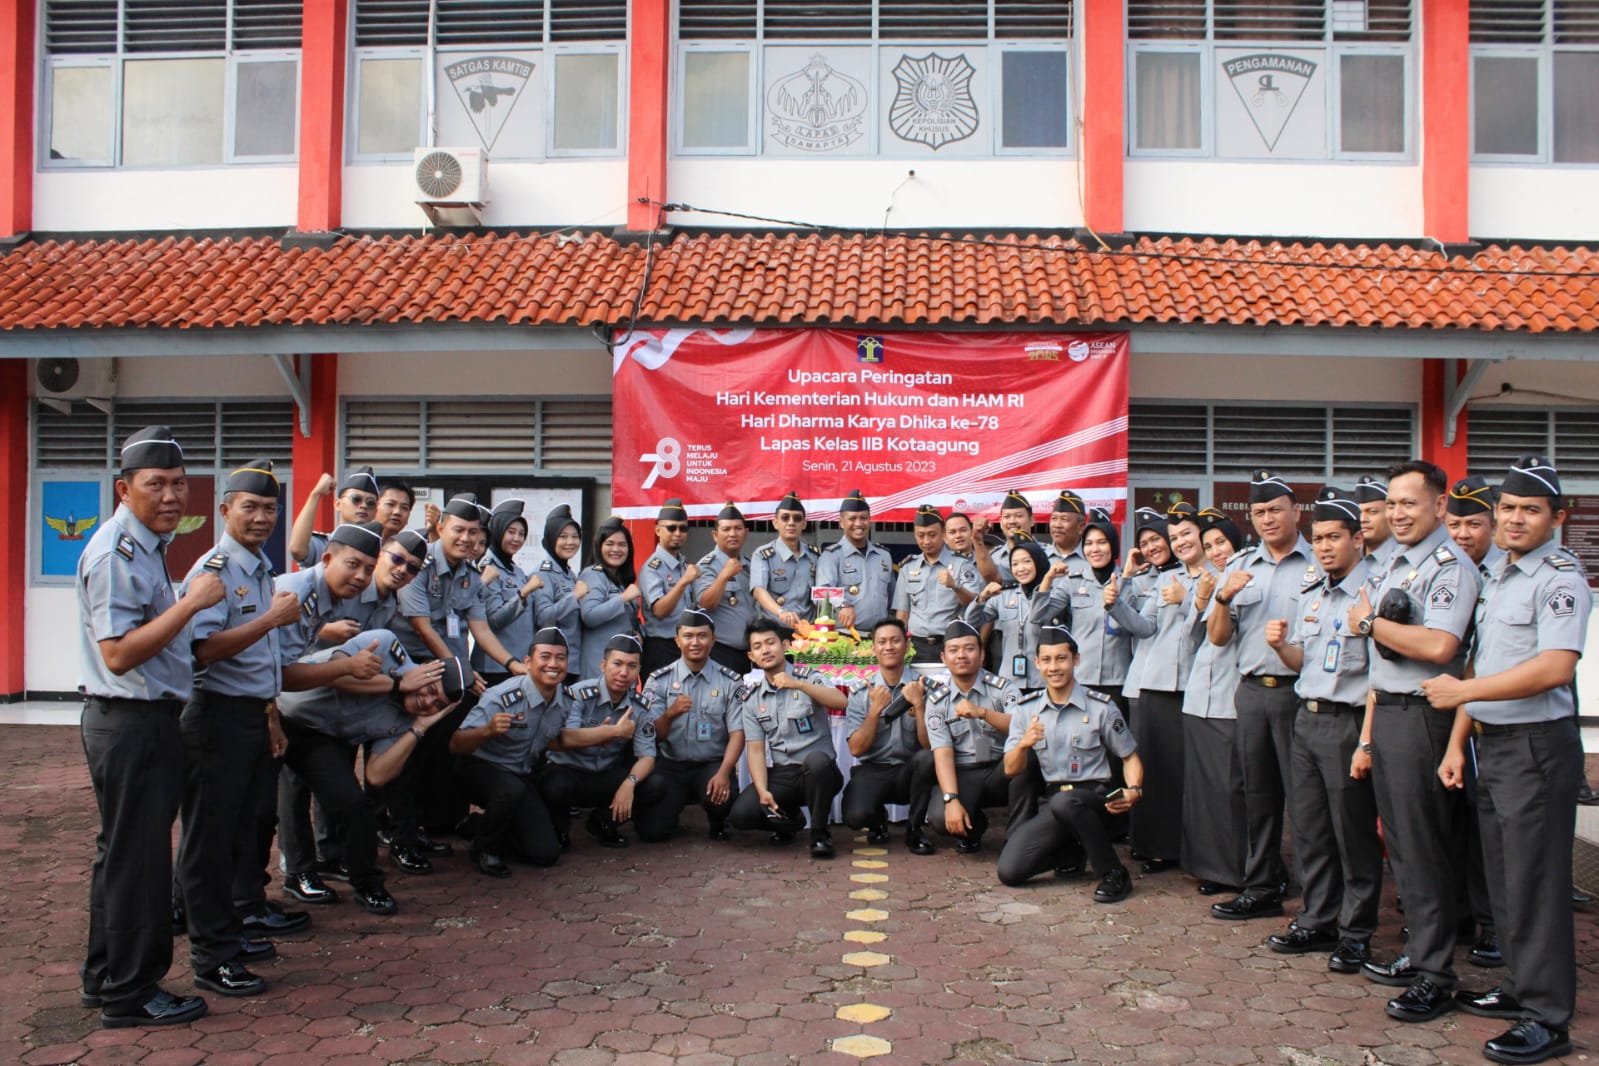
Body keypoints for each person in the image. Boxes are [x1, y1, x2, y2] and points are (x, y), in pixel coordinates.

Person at [1424, 456, 1590, 1065]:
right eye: (1510, 510)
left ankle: (1548, 1018)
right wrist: (1456, 741)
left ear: (1558, 518)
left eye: (1531, 510)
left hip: (1537, 748)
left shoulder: (1560, 578)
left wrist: (1463, 696)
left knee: (1536, 883)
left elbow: (1554, 667)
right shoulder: (1501, 575)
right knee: (1504, 879)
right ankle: (1520, 985)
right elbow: (1483, 665)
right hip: (1491, 745)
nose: (1516, 520)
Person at [77, 427, 220, 1028]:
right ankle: (131, 994)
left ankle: (105, 976)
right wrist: (191, 604)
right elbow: (118, 653)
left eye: (178, 484)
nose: (170, 496)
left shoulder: (148, 545)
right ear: (124, 488)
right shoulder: (118, 554)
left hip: (141, 720)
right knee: (140, 862)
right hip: (131, 721)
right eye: (155, 484)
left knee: (122, 856)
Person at [1346, 459, 1481, 1023]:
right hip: (1393, 713)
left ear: (1439, 506)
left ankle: (1435, 976)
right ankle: (1420, 953)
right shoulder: (1393, 565)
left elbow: (1438, 645)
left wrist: (1370, 624)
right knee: (1404, 848)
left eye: (1410, 503)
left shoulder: (1449, 567)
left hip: (1426, 715)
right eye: (1391, 504)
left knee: (1424, 851)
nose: (1398, 514)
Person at [174, 459, 303, 1000]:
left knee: (241, 833)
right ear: (224, 509)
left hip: (250, 715)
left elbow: (262, 663)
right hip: (215, 716)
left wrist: (271, 716)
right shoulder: (215, 569)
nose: (261, 518)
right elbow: (201, 651)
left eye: (270, 508)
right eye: (249, 507)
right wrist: (269, 620)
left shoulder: (258, 566)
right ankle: (211, 956)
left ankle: (230, 929)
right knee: (210, 841)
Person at [1262, 488, 1383, 977]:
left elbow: (1380, 678)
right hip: (1306, 718)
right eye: (1319, 539)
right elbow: (1305, 663)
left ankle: (1357, 933)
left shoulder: (1373, 594)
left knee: (1352, 835)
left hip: (1349, 723)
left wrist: (1367, 741)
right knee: (1310, 829)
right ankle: (1318, 918)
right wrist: (1282, 648)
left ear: (1358, 539)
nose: (1326, 547)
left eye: (1335, 537)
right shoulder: (1314, 592)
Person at [275, 526, 429, 912]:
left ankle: (332, 860)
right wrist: (391, 684)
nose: (401, 571)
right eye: (396, 560)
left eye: (411, 569)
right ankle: (297, 872)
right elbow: (285, 668)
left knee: (341, 798)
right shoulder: (305, 591)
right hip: (290, 704)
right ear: (328, 559)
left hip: (329, 708)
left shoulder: (387, 606)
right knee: (284, 799)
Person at [276, 635, 462, 915]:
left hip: (320, 736)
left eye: (438, 703)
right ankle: (294, 875)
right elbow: (336, 675)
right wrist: (398, 684)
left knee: (354, 804)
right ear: (424, 670)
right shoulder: (386, 646)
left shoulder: (408, 719)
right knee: (268, 808)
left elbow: (376, 776)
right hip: (281, 712)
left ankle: (367, 883)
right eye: (430, 688)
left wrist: (419, 728)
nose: (427, 701)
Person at [1206, 470, 1319, 921]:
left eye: (1275, 510)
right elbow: (1217, 639)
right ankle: (1262, 886)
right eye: (1259, 512)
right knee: (1258, 796)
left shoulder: (1318, 564)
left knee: (1307, 801)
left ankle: (1318, 899)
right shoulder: (1240, 567)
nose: (1268, 519)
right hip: (1252, 692)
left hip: (1300, 693)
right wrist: (1221, 600)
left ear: (1296, 511)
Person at [396, 492, 526, 857]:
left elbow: (480, 629)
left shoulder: (469, 575)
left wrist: (515, 665)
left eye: (473, 532)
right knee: (408, 754)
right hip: (412, 669)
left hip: (447, 672)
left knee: (437, 753)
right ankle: (401, 836)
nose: (467, 539)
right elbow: (422, 627)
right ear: (441, 528)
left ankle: (427, 825)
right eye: (459, 530)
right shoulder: (418, 565)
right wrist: (463, 672)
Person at [996, 625, 1144, 900]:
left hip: (1096, 801)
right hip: (1053, 803)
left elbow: (1130, 756)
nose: (1054, 667)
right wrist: (1024, 744)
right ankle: (1073, 850)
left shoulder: (1100, 706)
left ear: (1076, 660)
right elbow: (1010, 769)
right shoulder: (1026, 710)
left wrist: (1134, 789)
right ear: (1037, 663)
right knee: (1010, 870)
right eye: (1048, 660)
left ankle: (1114, 873)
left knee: (1067, 802)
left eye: (1062, 658)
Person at [1112, 503, 1212, 874]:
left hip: (1190, 686)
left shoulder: (1213, 574)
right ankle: (1154, 845)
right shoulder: (1161, 581)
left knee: (1182, 773)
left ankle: (1184, 847)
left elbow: (1209, 630)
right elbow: (1145, 627)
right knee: (1155, 769)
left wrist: (1188, 600)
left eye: (1171, 537)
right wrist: (1115, 605)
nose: (1164, 544)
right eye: (1155, 539)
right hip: (1154, 685)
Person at [450, 627, 575, 876]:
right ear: (528, 662)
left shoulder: (565, 701)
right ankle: (484, 847)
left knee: (547, 854)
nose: (553, 664)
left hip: (519, 775)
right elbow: (456, 744)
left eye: (560, 658)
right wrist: (486, 730)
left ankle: (479, 826)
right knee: (510, 790)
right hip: (479, 769)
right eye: (545, 656)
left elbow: (558, 740)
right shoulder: (502, 696)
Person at [1444, 475, 1506, 971]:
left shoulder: (1505, 574)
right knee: (1457, 825)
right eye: (1455, 523)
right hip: (1458, 715)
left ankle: (1495, 928)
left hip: (1504, 721)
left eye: (1474, 523)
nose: (1463, 533)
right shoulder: (1455, 572)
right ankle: (1464, 916)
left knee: (1494, 837)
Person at [727, 618, 849, 857]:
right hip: (783, 773)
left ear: (785, 646)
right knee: (741, 815)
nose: (766, 650)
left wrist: (799, 685)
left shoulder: (807, 676)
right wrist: (762, 790)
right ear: (751, 656)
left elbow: (841, 701)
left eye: (770, 642)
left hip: (820, 770)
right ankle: (789, 823)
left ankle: (820, 835)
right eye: (758, 646)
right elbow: (755, 750)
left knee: (817, 763)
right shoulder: (753, 699)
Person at [1180, 508, 1248, 897]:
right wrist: (1201, 599)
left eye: (1221, 542)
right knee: (1203, 790)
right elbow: (1192, 640)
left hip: (1229, 698)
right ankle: (1206, 863)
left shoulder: (1244, 578)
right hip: (1198, 697)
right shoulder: (1208, 581)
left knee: (1229, 790)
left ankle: (1233, 869)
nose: (1216, 550)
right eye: (1209, 545)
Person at [634, 610, 746, 843]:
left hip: (710, 763)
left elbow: (738, 733)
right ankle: (670, 814)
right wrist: (670, 713)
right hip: (671, 764)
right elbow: (654, 736)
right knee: (652, 832)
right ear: (677, 640)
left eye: (702, 636)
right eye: (688, 636)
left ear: (713, 640)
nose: (695, 642)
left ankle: (718, 822)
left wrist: (725, 773)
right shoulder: (658, 680)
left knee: (723, 796)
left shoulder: (730, 681)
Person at [540, 634, 656, 850]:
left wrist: (629, 783)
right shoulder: (578, 694)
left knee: (653, 784)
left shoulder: (640, 707)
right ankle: (558, 831)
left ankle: (604, 822)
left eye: (632, 666)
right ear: (603, 665)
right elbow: (567, 736)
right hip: (569, 770)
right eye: (617, 664)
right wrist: (609, 733)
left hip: (605, 773)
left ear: (638, 670)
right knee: (555, 785)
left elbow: (647, 756)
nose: (624, 672)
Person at [917, 619, 1021, 854]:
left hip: (1000, 769)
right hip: (964, 772)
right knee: (939, 819)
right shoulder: (937, 701)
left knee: (1026, 758)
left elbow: (1021, 729)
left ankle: (1017, 837)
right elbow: (942, 754)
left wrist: (983, 713)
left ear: (982, 655)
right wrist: (951, 799)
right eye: (954, 650)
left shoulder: (1003, 688)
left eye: (969, 648)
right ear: (943, 658)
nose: (961, 655)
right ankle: (975, 829)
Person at [839, 618, 932, 848]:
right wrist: (875, 710)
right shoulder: (862, 692)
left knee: (927, 759)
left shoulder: (924, 687)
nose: (888, 647)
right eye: (882, 642)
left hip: (911, 770)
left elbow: (930, 745)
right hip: (874, 769)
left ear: (907, 646)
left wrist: (919, 706)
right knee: (854, 817)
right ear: (873, 649)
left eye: (895, 641)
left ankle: (915, 829)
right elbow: (856, 749)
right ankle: (877, 821)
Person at [965, 539, 1071, 692]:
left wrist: (1047, 579)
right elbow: (971, 621)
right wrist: (982, 597)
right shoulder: (1004, 595)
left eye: (1026, 562)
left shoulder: (1056, 595)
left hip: (1045, 680)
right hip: (1010, 681)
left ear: (1039, 562)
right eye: (1015, 564)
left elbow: (1037, 617)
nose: (1020, 568)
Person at [1058, 509, 1134, 713]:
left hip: (1119, 680)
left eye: (1102, 542)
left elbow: (1138, 626)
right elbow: (1039, 616)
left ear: (1113, 546)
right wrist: (1047, 581)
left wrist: (1124, 583)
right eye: (1089, 543)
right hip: (1081, 677)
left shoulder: (1130, 583)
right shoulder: (1072, 582)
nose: (1095, 549)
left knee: (1117, 742)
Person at [893, 504, 982, 663]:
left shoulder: (961, 564)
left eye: (932, 534)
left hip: (951, 645)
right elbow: (903, 613)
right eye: (921, 535)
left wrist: (955, 586)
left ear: (943, 534)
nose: (926, 541)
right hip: (915, 645)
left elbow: (974, 601)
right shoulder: (908, 567)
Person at [475, 500, 538, 688]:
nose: (517, 539)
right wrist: (523, 593)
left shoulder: (516, 571)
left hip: (519, 663)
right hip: (496, 666)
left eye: (521, 534)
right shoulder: (488, 567)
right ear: (498, 530)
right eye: (511, 532)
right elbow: (495, 620)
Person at [815, 489, 895, 635]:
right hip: (845, 636)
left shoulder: (884, 556)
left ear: (870, 520)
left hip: (879, 637)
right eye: (852, 519)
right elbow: (821, 593)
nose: (858, 523)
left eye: (863, 518)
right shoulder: (831, 556)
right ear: (841, 522)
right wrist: (844, 604)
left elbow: (892, 599)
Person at [692, 502, 756, 672]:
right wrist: (724, 575)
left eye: (737, 528)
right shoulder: (706, 566)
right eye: (726, 529)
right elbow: (706, 603)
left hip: (751, 653)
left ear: (746, 532)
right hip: (721, 652)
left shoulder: (751, 564)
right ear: (715, 535)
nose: (732, 534)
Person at [578, 516, 644, 679]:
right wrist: (622, 598)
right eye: (609, 544)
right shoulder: (593, 574)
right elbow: (589, 616)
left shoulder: (618, 579)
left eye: (622, 544)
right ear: (599, 547)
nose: (616, 549)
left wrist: (638, 633)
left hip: (621, 668)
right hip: (598, 669)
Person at [639, 499, 699, 676]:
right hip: (660, 646)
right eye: (671, 528)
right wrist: (683, 582)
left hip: (684, 645)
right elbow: (659, 610)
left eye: (683, 528)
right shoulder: (652, 567)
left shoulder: (684, 564)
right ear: (658, 530)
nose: (678, 533)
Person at [532, 503, 587, 681]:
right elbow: (543, 617)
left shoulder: (569, 573)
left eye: (574, 536)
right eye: (563, 537)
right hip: (554, 664)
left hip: (572, 662)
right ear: (551, 538)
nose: (570, 542)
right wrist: (575, 597)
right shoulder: (544, 573)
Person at [751, 491, 819, 629]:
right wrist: (781, 611)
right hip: (776, 630)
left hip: (808, 632)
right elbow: (758, 591)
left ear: (804, 524)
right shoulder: (762, 555)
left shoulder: (815, 555)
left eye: (797, 518)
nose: (791, 523)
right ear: (775, 523)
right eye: (785, 518)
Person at [288, 466, 380, 567]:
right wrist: (316, 494)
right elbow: (297, 549)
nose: (363, 506)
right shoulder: (325, 545)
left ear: (376, 510)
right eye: (356, 499)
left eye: (370, 503)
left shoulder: (380, 552)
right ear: (337, 504)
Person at [1355, 475, 1397, 570]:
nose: (1363, 519)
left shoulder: (1402, 557)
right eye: (1359, 513)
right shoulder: (1350, 558)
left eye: (1372, 512)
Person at [1043, 490, 1090, 573]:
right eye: (1054, 518)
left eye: (1064, 519)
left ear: (1081, 527)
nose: (1057, 525)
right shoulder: (1040, 558)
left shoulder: (1093, 559)